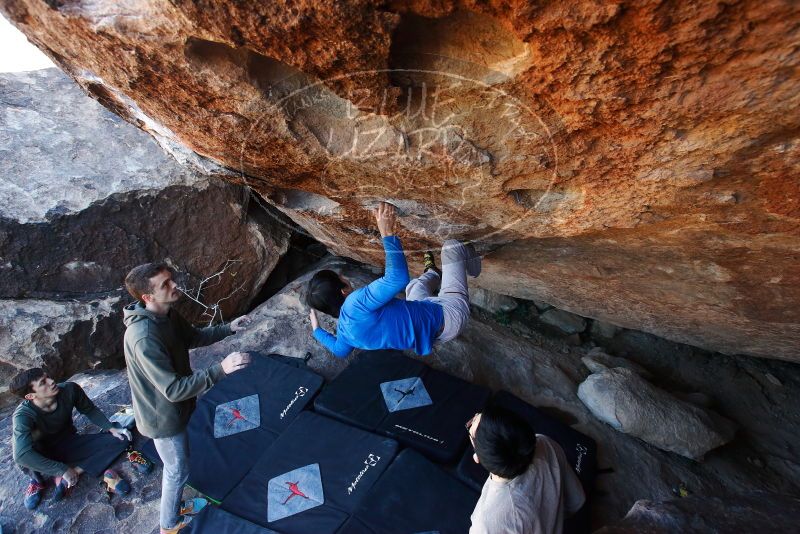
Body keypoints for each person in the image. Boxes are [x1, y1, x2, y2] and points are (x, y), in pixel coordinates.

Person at [123, 262, 252, 534]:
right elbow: (173, 390)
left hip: (175, 408)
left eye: (171, 279)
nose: (175, 286)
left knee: (180, 464)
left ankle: (174, 511)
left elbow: (192, 337)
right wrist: (221, 370)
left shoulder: (165, 313)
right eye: (165, 285)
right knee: (177, 470)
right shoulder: (144, 337)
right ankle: (168, 525)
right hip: (162, 418)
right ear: (147, 297)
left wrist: (228, 328)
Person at [307, 202, 480, 358]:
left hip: (436, 333)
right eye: (340, 277)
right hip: (450, 315)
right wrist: (387, 232)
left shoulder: (345, 332)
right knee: (452, 247)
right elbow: (397, 278)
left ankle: (433, 272)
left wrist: (317, 330)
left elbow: (339, 351)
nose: (343, 276)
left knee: (414, 288)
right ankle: (474, 269)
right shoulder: (355, 303)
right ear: (343, 291)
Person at [11, 368, 141, 510]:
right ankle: (37, 481)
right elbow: (21, 455)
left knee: (122, 439)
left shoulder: (69, 389)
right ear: (30, 396)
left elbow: (89, 409)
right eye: (43, 382)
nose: (51, 381)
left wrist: (111, 428)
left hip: (68, 443)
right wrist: (61, 469)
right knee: (24, 453)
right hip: (41, 452)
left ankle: (76, 471)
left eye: (47, 376)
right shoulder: (23, 415)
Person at [466, 404, 586, 534]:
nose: (475, 416)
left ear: (477, 457)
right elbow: (576, 501)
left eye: (471, 428)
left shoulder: (486, 525)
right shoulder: (544, 443)